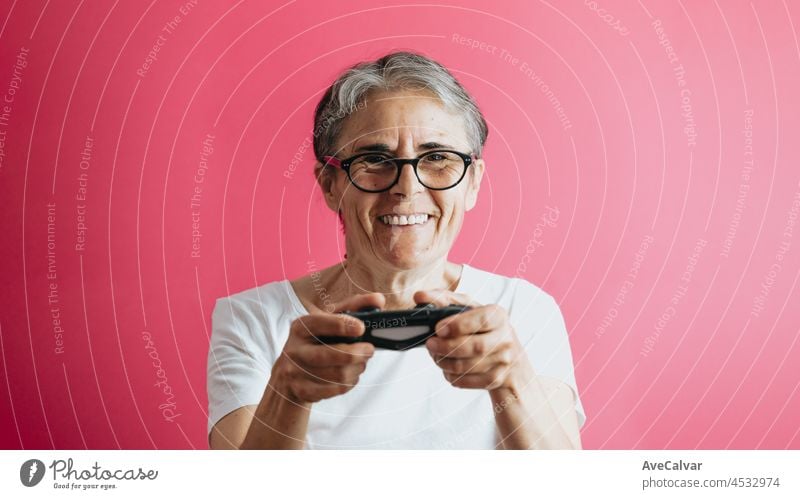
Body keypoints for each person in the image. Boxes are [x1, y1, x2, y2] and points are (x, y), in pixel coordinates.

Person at [207, 51, 585, 449]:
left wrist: (512, 380)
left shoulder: (525, 310)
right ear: (330, 185)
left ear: (472, 182)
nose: (407, 187)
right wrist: (289, 394)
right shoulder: (251, 320)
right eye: (375, 159)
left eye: (437, 157)